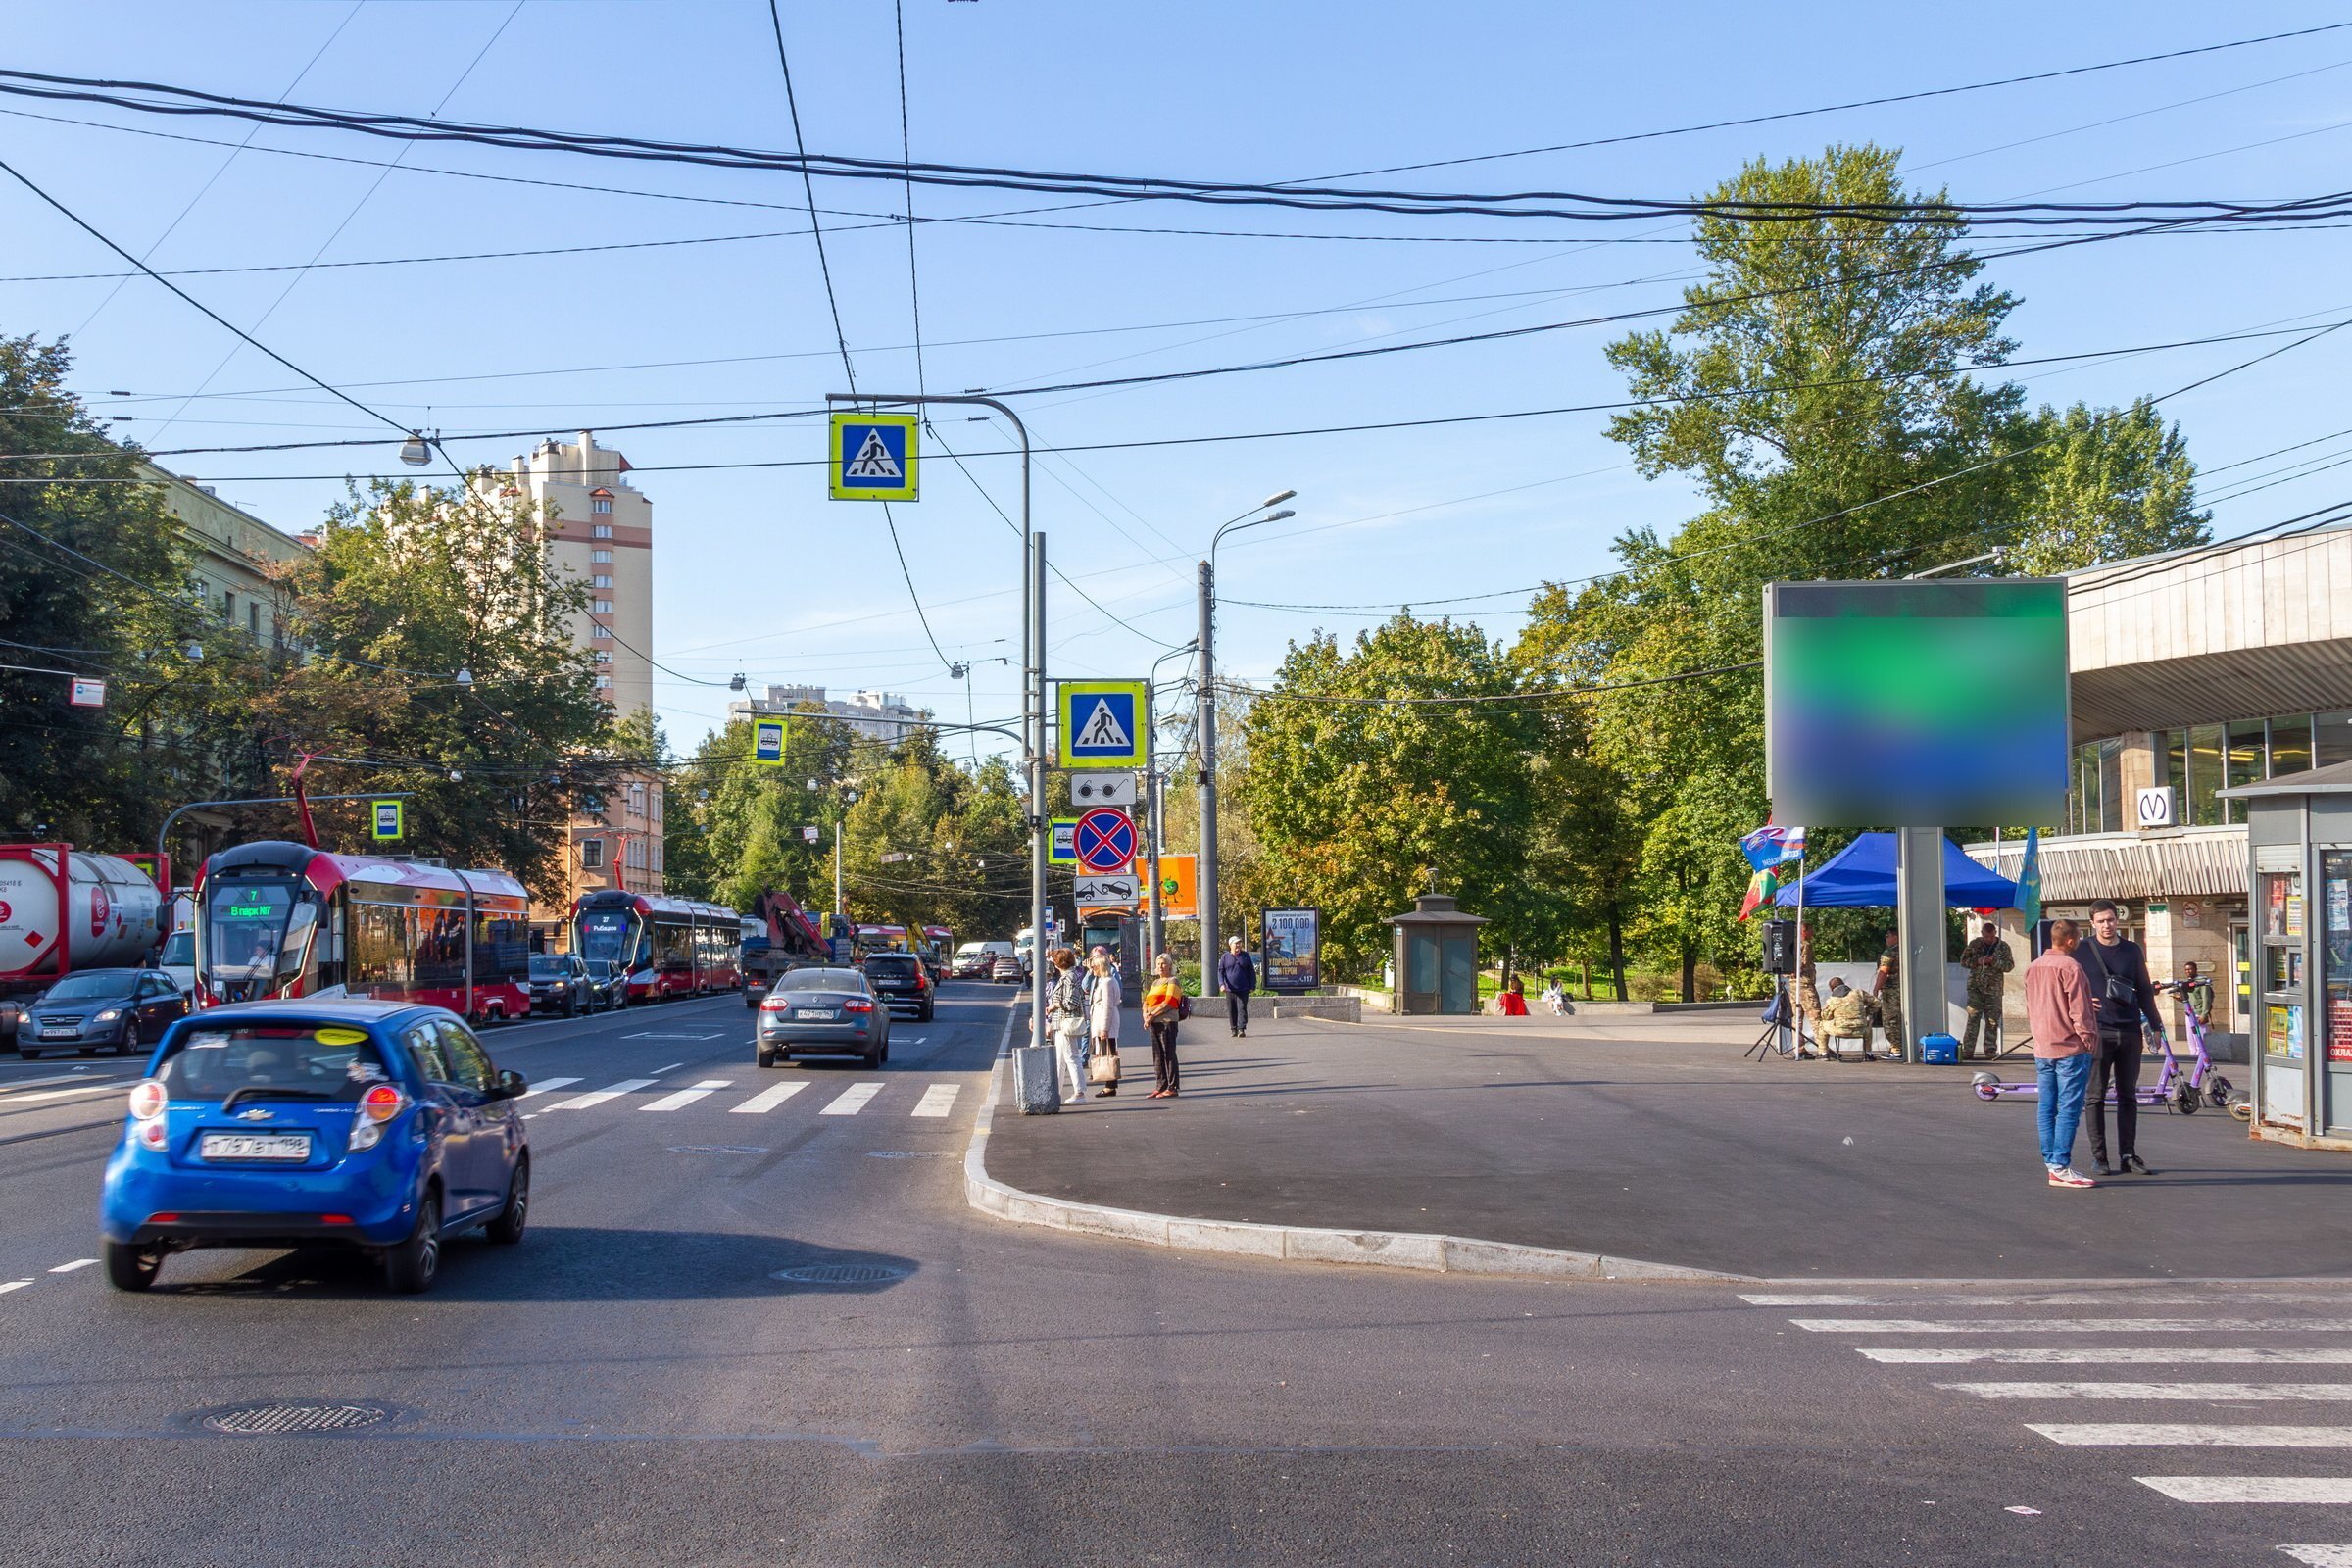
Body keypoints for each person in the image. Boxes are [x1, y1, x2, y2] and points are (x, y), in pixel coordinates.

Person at [2073, 898, 2165, 1176]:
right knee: (2095, 1096)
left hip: (2129, 1031)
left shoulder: (2132, 950)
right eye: (2100, 921)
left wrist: (2156, 1026)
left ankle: (2128, 1154)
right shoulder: (2082, 950)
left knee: (2128, 1096)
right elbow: (2067, 986)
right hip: (2098, 1031)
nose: (2106, 925)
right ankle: (2099, 1157)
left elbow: (2145, 990)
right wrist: (2083, 1001)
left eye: (2111, 920)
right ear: (2092, 923)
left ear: (2118, 920)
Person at [2027, 918, 2100, 1188]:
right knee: (2068, 1108)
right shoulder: (2071, 967)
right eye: (2078, 937)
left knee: (2046, 1107)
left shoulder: (2033, 967)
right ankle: (2060, 1166)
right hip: (2069, 1047)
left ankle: (2052, 1163)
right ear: (2070, 940)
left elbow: (2031, 1006)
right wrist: (2088, 1038)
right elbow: (2079, 1010)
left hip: (2043, 1046)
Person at [1959, 921, 2015, 1060]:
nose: (1989, 939)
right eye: (1986, 936)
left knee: (1992, 1020)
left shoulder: (2003, 947)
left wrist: (1995, 962)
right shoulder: (1974, 945)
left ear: (1995, 933)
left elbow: (2009, 966)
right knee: (1973, 1018)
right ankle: (1968, 1050)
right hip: (1975, 988)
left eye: (1991, 936)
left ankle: (1990, 1050)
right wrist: (1977, 961)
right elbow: (1963, 961)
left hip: (1994, 989)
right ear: (1982, 934)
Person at [1045, 947, 1088, 1102]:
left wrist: (1055, 1005)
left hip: (1066, 1021)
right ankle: (1056, 1093)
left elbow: (1072, 1001)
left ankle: (1080, 1093)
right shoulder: (1070, 976)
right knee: (1061, 1060)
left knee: (1071, 1057)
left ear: (1058, 963)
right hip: (1062, 1023)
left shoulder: (1069, 977)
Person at [1142, 954, 1186, 1099]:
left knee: (1169, 1054)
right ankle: (1161, 1086)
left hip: (1167, 1022)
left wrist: (1152, 1015)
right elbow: (1146, 1001)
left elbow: (1169, 1002)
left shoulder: (1173, 981)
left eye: (1164, 964)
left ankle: (1172, 1087)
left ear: (1170, 966)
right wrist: (1146, 1016)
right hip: (1154, 1022)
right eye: (1158, 963)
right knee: (1158, 1056)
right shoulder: (1155, 983)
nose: (1160, 966)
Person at [1087, 948, 1124, 1098]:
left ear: (1100, 966)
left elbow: (1108, 1005)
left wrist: (1104, 1028)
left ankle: (1110, 1085)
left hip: (1106, 1022)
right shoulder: (1105, 980)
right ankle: (1110, 1084)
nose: (1092, 969)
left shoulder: (1107, 982)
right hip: (1105, 1021)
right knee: (1107, 1052)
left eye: (1094, 967)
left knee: (1108, 1053)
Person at [1818, 977, 1873, 1060]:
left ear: (1831, 988)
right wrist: (1866, 1013)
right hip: (1861, 1030)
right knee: (1868, 1026)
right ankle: (1868, 1054)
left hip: (1841, 1030)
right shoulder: (1858, 992)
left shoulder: (1832, 999)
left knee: (1822, 1025)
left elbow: (1825, 1017)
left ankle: (1824, 1054)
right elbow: (1876, 1003)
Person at [1217, 936, 1256, 1037]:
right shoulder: (1225, 957)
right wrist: (1221, 984)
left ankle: (1241, 1029)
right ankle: (1233, 1029)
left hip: (1243, 989)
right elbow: (1220, 971)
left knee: (1242, 1009)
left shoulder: (1245, 956)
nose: (1238, 945)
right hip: (1230, 989)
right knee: (1232, 1010)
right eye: (1236, 943)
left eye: (1239, 943)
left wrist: (1252, 985)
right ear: (1230, 945)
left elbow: (1251, 971)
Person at [1872, 928, 1902, 1056]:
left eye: (1888, 936)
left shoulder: (1889, 952)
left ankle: (1897, 1048)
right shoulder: (1909, 950)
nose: (1886, 939)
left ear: (1895, 937)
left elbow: (1884, 971)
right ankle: (1902, 1046)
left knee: (1890, 1019)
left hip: (1892, 991)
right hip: (1906, 989)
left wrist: (1876, 988)